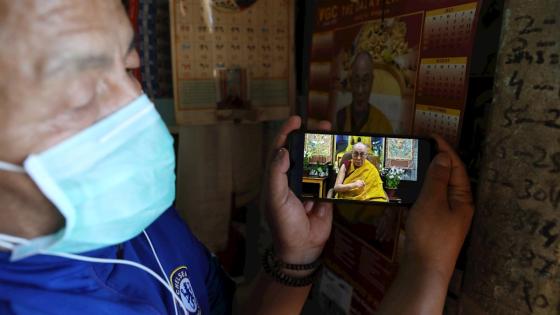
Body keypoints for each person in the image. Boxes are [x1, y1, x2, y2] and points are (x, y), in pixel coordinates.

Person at [0, 1, 474, 314]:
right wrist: (428, 267)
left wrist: (295, 257)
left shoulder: (129, 214)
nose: (135, 106)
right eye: (80, 93)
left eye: (129, 67)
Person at [336, 51, 393, 133]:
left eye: (365, 80)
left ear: (372, 81)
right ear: (351, 81)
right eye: (356, 79)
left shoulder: (383, 124)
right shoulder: (340, 117)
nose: (360, 90)